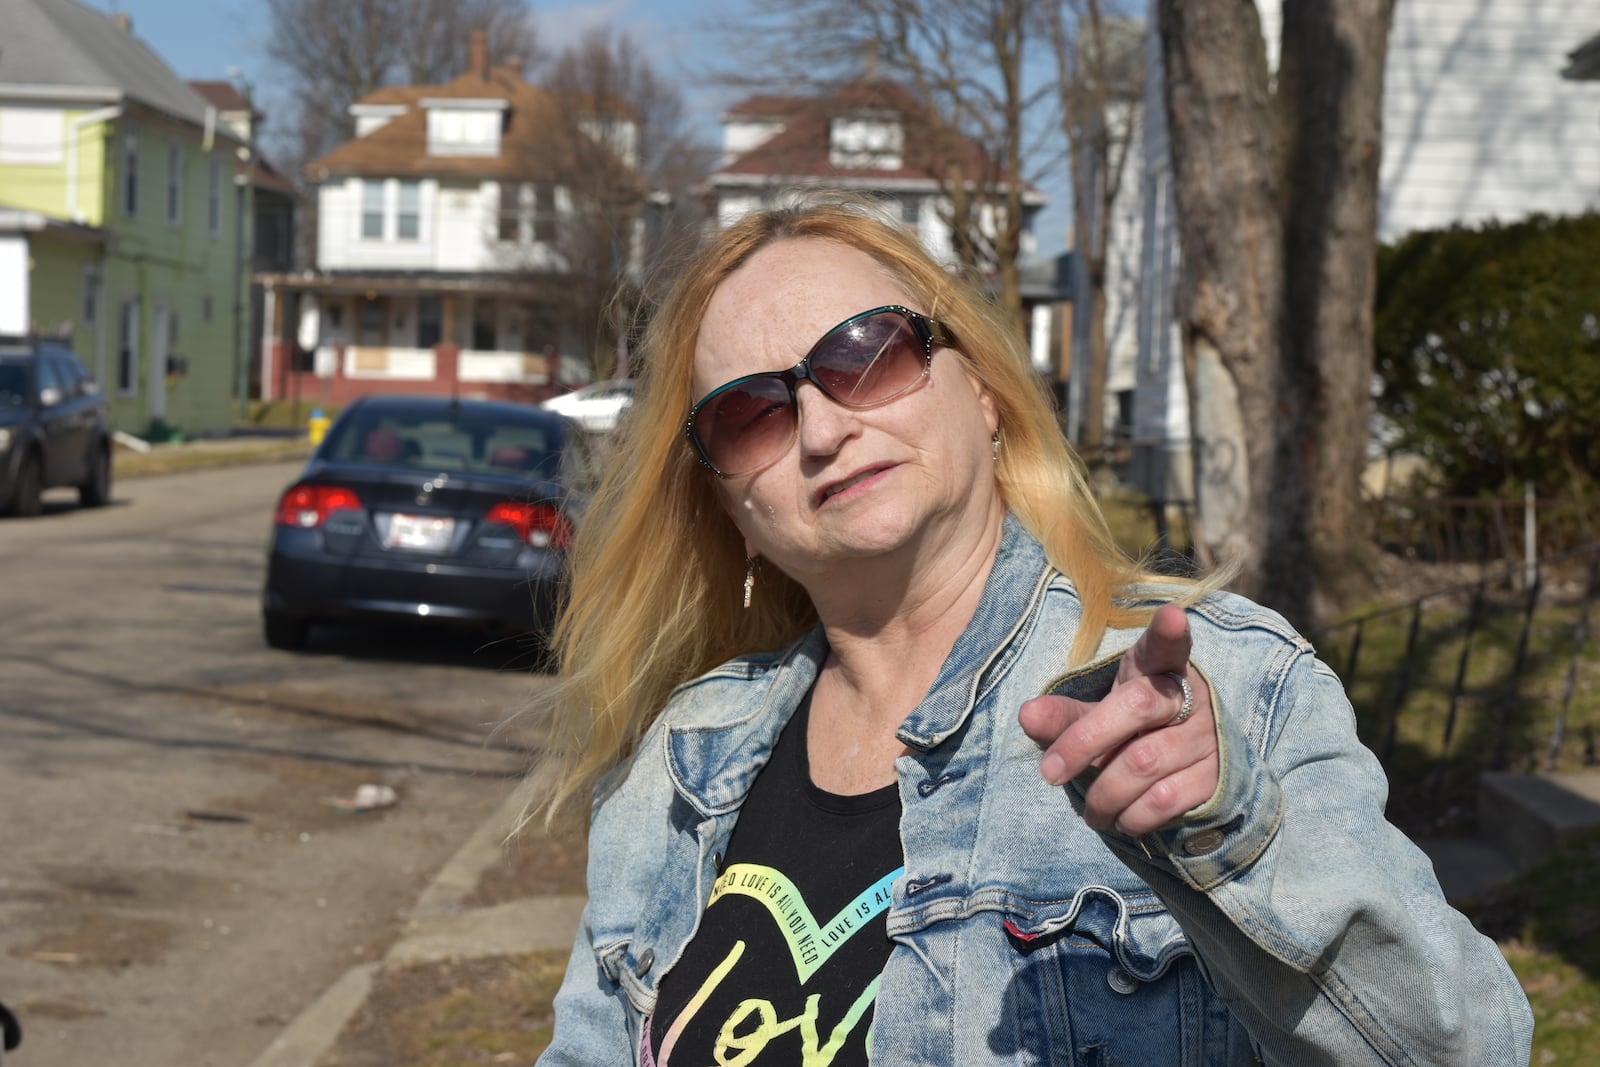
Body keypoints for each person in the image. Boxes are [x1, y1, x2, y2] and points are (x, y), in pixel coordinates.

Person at [528, 194, 1533, 1065]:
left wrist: (1233, 836)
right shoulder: (679, 761)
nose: (824, 429)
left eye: (867, 353)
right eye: (753, 413)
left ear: (984, 390)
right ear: (730, 505)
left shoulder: (1217, 683)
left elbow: (1465, 1047)